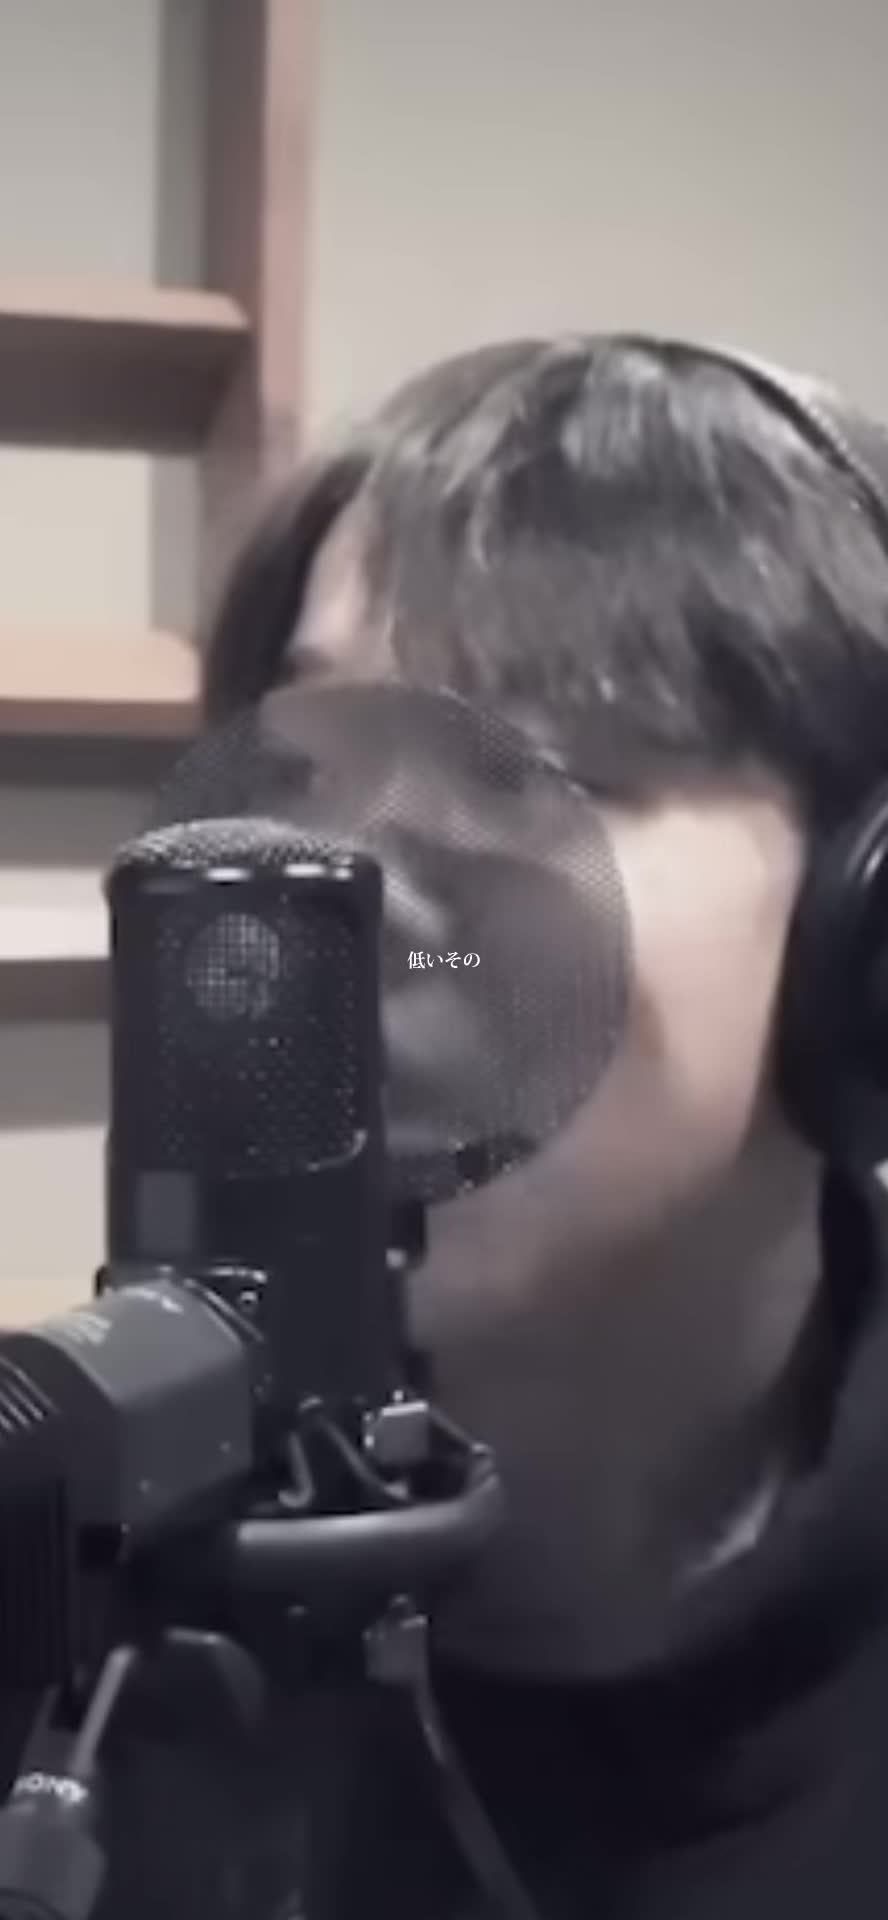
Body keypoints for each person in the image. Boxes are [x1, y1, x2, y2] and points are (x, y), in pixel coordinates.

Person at [117, 337, 888, 1916]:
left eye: (559, 769)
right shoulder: (80, 1597)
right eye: (314, 758)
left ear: (861, 947)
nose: (358, 879)